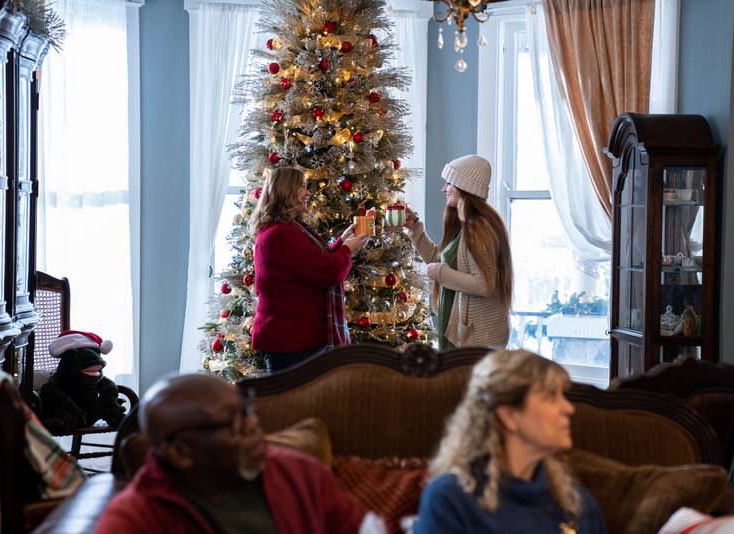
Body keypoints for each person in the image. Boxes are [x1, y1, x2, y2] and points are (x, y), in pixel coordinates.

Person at [96, 373, 385, 534]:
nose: (253, 426)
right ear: (180, 452)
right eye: (233, 423)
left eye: (246, 412)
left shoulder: (300, 473)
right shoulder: (135, 520)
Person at [414, 349, 606, 534]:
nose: (569, 408)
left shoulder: (576, 502)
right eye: (550, 396)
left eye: (563, 395)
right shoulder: (450, 499)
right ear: (509, 416)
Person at [251, 167, 368, 373]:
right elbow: (327, 271)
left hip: (298, 340)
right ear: (286, 191)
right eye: (302, 187)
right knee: (296, 405)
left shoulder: (287, 228)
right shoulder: (280, 234)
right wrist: (348, 249)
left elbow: (314, 262)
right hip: (292, 343)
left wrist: (343, 240)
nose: (308, 193)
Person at [403, 155, 512, 350]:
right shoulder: (462, 224)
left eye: (449, 183)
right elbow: (437, 259)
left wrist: (441, 274)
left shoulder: (479, 229)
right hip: (459, 330)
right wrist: (415, 228)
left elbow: (484, 284)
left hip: (479, 337)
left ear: (463, 187)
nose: (444, 189)